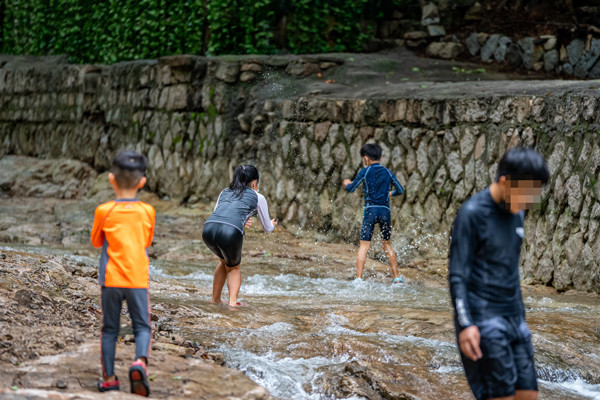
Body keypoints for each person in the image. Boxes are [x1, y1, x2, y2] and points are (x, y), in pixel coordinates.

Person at [449, 147, 549, 400]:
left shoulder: (518, 211)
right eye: (527, 192)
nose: (530, 200)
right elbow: (457, 274)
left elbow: (510, 270)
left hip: (515, 319)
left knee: (528, 394)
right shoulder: (472, 214)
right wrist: (466, 325)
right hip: (484, 320)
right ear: (505, 182)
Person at [91, 151, 155, 397]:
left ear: (111, 179)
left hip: (111, 279)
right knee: (142, 327)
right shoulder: (148, 211)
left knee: (109, 329)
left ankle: (108, 379)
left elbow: (97, 242)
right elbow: (146, 241)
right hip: (137, 279)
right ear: (142, 182)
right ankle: (140, 363)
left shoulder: (103, 210)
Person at [202, 165, 277, 307]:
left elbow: (220, 213)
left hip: (208, 229)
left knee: (223, 261)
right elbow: (267, 228)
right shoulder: (257, 196)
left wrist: (240, 221)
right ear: (254, 182)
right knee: (234, 268)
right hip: (229, 232)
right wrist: (273, 224)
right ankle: (232, 304)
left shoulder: (224, 192)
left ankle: (215, 300)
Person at [342, 143, 405, 284]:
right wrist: (390, 193)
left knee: (364, 245)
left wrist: (346, 183)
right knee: (387, 244)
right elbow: (400, 190)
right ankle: (396, 278)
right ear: (381, 157)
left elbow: (352, 188)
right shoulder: (388, 172)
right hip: (385, 211)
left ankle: (358, 279)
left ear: (366, 158)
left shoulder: (365, 171)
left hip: (370, 211)